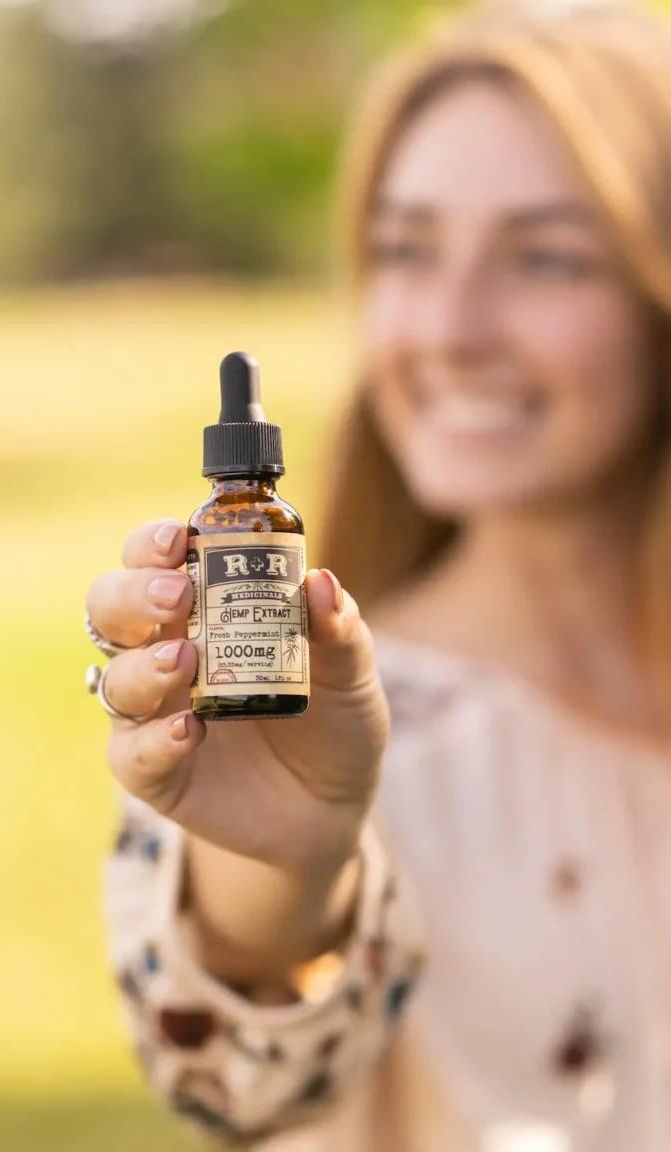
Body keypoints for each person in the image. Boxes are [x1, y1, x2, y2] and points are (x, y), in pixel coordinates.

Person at [84, 1, 671, 1148]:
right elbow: (237, 1077)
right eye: (406, 250)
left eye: (544, 255)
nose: (448, 329)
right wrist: (286, 872)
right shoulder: (304, 720)